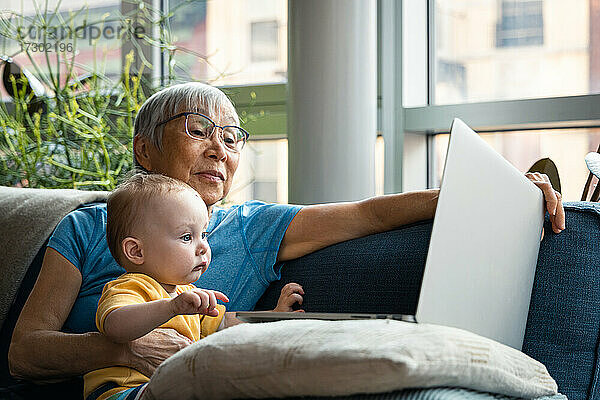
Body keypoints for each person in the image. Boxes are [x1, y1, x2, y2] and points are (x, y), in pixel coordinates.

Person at [8, 82, 566, 388]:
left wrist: (493, 194)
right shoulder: (86, 227)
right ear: (145, 149)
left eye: (231, 137)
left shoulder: (253, 227)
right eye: (198, 130)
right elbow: (23, 353)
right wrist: (119, 346)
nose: (219, 149)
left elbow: (367, 215)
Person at [85, 173, 304, 400]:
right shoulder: (129, 286)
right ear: (136, 251)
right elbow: (115, 327)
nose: (203, 248)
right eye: (187, 237)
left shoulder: (184, 295)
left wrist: (273, 316)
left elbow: (225, 323)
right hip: (120, 391)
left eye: (204, 234)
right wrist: (170, 308)